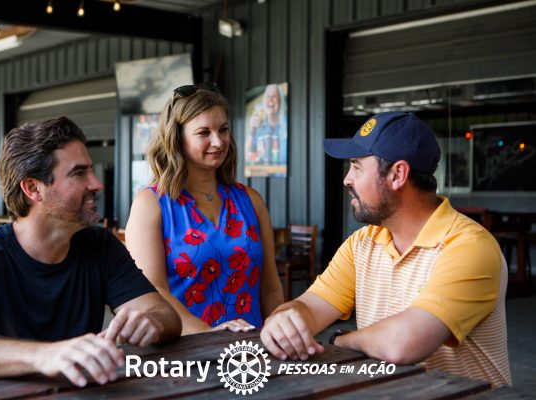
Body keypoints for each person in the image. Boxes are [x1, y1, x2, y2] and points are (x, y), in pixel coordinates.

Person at [260, 112, 512, 388]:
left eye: (356, 167)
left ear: (397, 175)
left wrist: (340, 339)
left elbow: (403, 344)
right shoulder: (362, 244)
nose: (347, 179)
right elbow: (310, 307)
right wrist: (285, 319)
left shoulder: (469, 246)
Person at [0, 117, 181, 387]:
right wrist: (45, 355)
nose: (97, 184)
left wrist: (152, 323)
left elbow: (166, 316)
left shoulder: (100, 245)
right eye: (79, 173)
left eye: (91, 170)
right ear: (33, 188)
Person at [126, 82, 284, 335]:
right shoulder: (151, 204)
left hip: (251, 349)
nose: (218, 142)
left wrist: (281, 335)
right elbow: (152, 292)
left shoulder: (251, 200)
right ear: (177, 139)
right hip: (186, 349)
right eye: (203, 133)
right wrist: (209, 335)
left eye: (223, 130)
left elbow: (271, 288)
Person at [246, 84, 287, 166]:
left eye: (274, 96)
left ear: (281, 101)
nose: (270, 100)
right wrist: (252, 130)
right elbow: (247, 157)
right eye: (268, 96)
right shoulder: (259, 127)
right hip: (262, 172)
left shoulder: (287, 124)